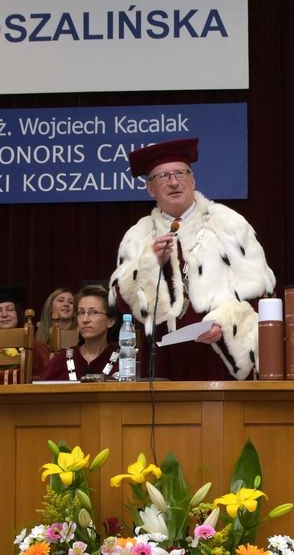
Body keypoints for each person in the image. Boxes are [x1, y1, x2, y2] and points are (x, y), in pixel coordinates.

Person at [109, 137, 276, 380]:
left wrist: (225, 323)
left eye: (181, 173)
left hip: (218, 354)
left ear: (193, 180)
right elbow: (122, 304)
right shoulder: (138, 235)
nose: (174, 182)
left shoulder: (228, 223)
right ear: (150, 188)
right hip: (163, 358)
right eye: (163, 176)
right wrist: (149, 264)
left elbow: (261, 294)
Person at [37, 286, 119, 381]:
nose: (85, 319)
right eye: (81, 313)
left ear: (110, 321)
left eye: (94, 312)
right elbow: (40, 388)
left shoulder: (124, 358)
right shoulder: (62, 359)